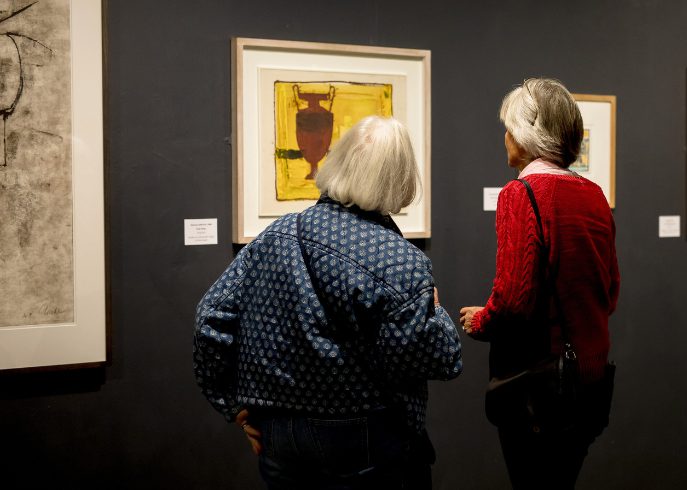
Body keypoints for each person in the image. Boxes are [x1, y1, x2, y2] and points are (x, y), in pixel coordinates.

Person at [194, 116, 462, 489]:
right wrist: (439, 315)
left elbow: (210, 318)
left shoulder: (276, 234)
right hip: (366, 438)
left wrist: (233, 406)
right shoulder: (400, 260)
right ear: (399, 178)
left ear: (338, 162)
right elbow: (438, 359)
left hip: (279, 433)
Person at [459, 78, 620, 489]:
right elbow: (610, 290)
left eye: (511, 127)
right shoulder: (594, 194)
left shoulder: (522, 193)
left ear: (529, 136)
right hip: (589, 380)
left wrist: (481, 321)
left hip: (539, 388)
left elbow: (514, 299)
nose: (506, 137)